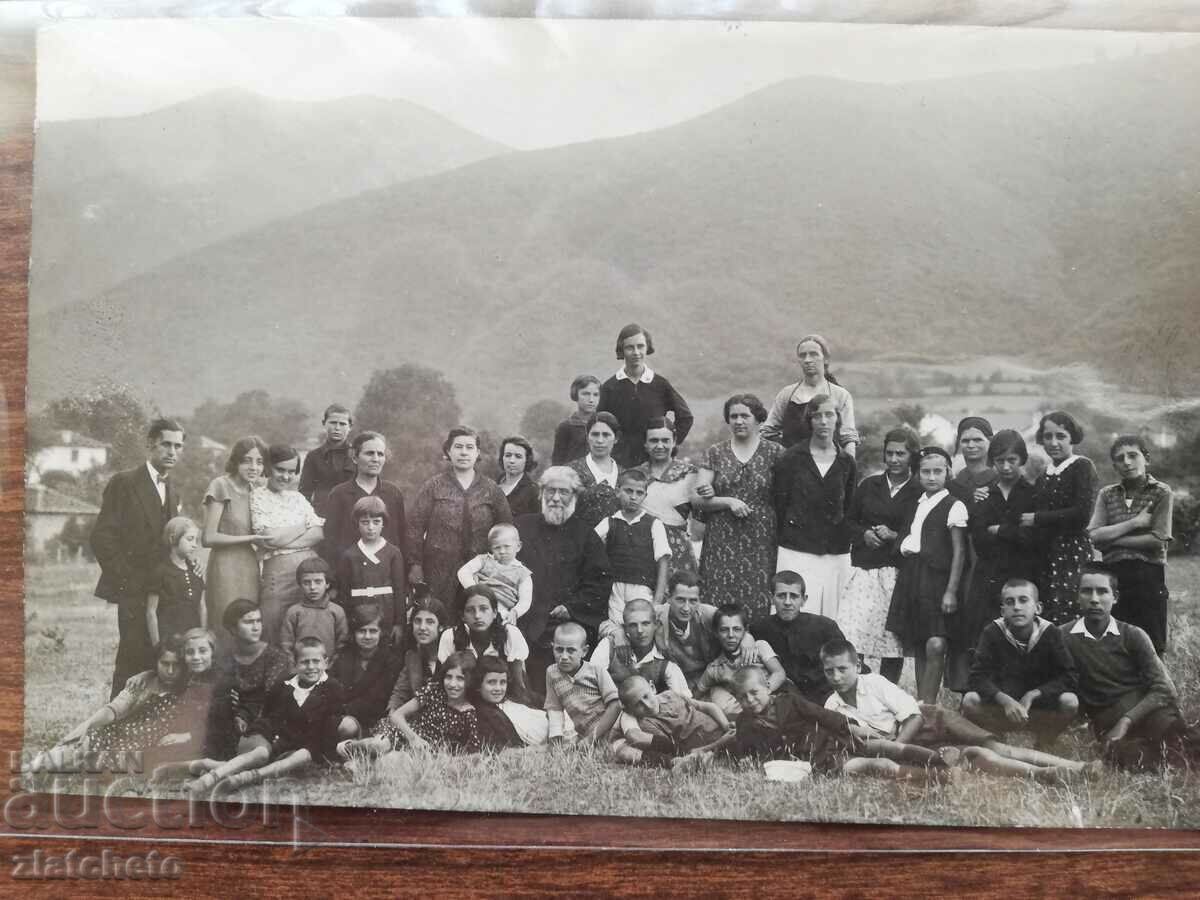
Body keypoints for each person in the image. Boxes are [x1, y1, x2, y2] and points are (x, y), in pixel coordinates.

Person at [821, 638, 1094, 784]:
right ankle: (1044, 775)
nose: (836, 676)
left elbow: (914, 717)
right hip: (908, 743)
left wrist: (898, 747)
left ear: (857, 666)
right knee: (978, 757)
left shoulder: (875, 683)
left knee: (999, 748)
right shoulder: (832, 706)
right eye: (829, 670)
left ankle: (1078, 766)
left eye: (842, 668)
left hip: (930, 721)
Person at [1062, 565, 1198, 770]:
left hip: (1148, 713)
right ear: (1077, 596)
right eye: (1087, 591)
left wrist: (1125, 721)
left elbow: (1165, 689)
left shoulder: (1132, 635)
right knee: (1126, 758)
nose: (1094, 599)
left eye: (1102, 591)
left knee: (1180, 743)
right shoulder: (1063, 636)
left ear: (1115, 597)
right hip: (1108, 720)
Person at [91, 418, 187, 697]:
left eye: (178, 446)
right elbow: (102, 537)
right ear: (150, 444)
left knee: (160, 659)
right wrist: (127, 582)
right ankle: (113, 730)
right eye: (166, 444)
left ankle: (149, 729)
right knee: (131, 660)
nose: (172, 451)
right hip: (133, 589)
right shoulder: (124, 482)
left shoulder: (172, 489)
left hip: (163, 590)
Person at [184, 636, 346, 794]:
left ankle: (241, 777)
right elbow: (269, 716)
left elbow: (329, 726)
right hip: (271, 737)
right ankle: (211, 778)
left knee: (302, 755)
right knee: (260, 754)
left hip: (307, 745)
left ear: (325, 662)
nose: (311, 667)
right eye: (305, 662)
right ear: (295, 664)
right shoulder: (284, 684)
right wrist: (272, 739)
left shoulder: (333, 688)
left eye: (316, 661)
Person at [514, 466, 612, 695]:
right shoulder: (521, 527)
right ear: (541, 494)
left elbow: (600, 581)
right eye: (550, 491)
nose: (556, 498)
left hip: (568, 623)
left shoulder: (586, 534)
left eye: (564, 492)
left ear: (574, 496)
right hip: (526, 621)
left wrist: (570, 608)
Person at [838, 427, 921, 683]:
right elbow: (848, 521)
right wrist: (864, 535)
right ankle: (860, 686)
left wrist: (894, 535)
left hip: (898, 574)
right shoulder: (869, 485)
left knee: (891, 641)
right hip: (865, 572)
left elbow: (921, 534)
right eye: (890, 453)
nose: (894, 459)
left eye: (901, 454)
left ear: (912, 457)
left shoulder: (919, 491)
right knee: (854, 633)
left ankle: (888, 690)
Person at [884, 447, 967, 703]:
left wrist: (951, 591)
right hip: (912, 576)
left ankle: (930, 705)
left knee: (936, 643)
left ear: (948, 473)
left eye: (937, 471)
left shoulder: (954, 505)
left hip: (938, 579)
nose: (931, 477)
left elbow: (959, 552)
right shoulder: (917, 504)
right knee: (919, 641)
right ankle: (921, 704)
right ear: (918, 474)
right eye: (926, 472)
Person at [35, 636, 188, 772]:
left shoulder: (188, 689)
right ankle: (37, 765)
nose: (170, 671)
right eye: (165, 664)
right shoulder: (143, 683)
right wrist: (87, 725)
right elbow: (114, 709)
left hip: (149, 748)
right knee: (87, 740)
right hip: (122, 735)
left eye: (176, 665)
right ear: (156, 662)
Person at [693, 393, 784, 619]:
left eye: (745, 415)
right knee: (716, 602)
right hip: (721, 540)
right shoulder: (715, 452)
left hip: (762, 540)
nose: (739, 421)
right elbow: (697, 497)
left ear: (758, 418)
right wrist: (727, 501)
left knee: (759, 598)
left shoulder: (776, 453)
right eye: (733, 416)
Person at [962, 579, 1079, 747]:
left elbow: (1069, 676)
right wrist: (1004, 700)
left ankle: (1045, 739)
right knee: (970, 700)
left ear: (1038, 608)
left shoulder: (1051, 633)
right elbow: (976, 677)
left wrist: (1034, 694)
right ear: (1002, 610)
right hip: (1002, 707)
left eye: (1023, 600)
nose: (1017, 607)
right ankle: (996, 735)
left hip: (1038, 707)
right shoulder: (992, 632)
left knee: (1070, 701)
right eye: (1010, 602)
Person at [407, 426, 513, 609]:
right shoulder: (433, 486)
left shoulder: (492, 489)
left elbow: (505, 530)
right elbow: (414, 527)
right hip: (439, 571)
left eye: (469, 447)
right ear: (448, 451)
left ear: (477, 452)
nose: (464, 452)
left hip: (480, 572)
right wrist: (415, 564)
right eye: (458, 447)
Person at [1087, 435, 1174, 655]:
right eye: (1120, 458)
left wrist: (1113, 539)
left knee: (1151, 643)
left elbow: (1157, 540)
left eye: (1133, 455)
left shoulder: (1161, 492)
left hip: (1147, 575)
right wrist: (1136, 522)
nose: (1126, 462)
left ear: (1146, 459)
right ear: (1114, 465)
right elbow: (1095, 536)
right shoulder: (1107, 494)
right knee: (1116, 642)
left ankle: (1157, 688)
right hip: (1113, 577)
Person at [772, 394, 856, 619]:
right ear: (809, 421)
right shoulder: (790, 459)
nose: (823, 421)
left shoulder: (847, 462)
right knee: (796, 614)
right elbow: (780, 504)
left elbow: (849, 507)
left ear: (837, 419)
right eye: (817, 416)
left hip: (834, 552)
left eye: (829, 415)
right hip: (796, 549)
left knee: (832, 617)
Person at [965, 429, 1039, 665]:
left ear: (1022, 460)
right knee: (986, 639)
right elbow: (979, 539)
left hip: (1023, 574)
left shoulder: (1035, 494)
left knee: (1023, 638)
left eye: (1012, 460)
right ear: (992, 462)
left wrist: (999, 530)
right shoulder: (985, 495)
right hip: (989, 577)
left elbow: (1032, 539)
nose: (1006, 467)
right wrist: (1014, 531)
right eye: (1000, 461)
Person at [1024, 411, 1099, 626]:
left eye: (1060, 436)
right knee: (1048, 616)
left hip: (1072, 553)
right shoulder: (1044, 474)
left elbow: (1082, 515)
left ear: (1072, 437)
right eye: (1048, 437)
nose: (1053, 442)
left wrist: (1037, 519)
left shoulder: (1082, 466)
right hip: (1046, 554)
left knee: (1073, 614)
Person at [340, 652, 481, 758]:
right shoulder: (435, 692)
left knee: (393, 760)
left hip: (423, 753)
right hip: (403, 732)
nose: (452, 684)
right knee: (380, 745)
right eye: (449, 677)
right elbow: (396, 715)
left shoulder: (469, 713)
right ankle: (349, 747)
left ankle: (361, 760)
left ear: (470, 681)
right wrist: (413, 738)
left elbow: (473, 753)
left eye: (460, 679)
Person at [251, 444, 325, 644]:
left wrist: (283, 540)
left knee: (307, 629)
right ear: (268, 467)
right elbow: (269, 539)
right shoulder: (257, 496)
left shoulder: (298, 498)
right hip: (277, 573)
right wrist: (303, 526)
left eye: (291, 472)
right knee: (273, 628)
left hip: (308, 571)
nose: (285, 476)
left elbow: (318, 533)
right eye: (280, 470)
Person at [201, 435, 267, 653]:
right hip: (224, 566)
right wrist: (250, 539)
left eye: (259, 462)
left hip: (249, 567)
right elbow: (208, 537)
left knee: (248, 625)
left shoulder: (256, 492)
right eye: (247, 460)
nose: (254, 467)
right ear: (236, 461)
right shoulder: (221, 485)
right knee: (224, 624)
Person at [725, 667, 855, 775]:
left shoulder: (789, 701)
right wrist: (745, 760)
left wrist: (850, 725)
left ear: (767, 687)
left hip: (823, 744)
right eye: (742, 697)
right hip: (802, 762)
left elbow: (822, 715)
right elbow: (744, 749)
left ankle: (871, 744)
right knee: (847, 765)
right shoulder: (744, 722)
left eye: (754, 692)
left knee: (862, 743)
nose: (750, 700)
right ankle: (873, 764)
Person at [205, 599, 291, 763]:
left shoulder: (275, 657)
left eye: (258, 621)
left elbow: (270, 698)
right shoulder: (224, 657)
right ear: (232, 628)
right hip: (230, 719)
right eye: (248, 622)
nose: (256, 627)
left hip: (263, 719)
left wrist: (244, 715)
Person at [598, 323, 693, 469]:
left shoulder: (660, 385)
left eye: (640, 346)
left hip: (655, 464)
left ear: (647, 347)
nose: (636, 352)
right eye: (630, 347)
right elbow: (598, 425)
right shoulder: (610, 387)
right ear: (622, 350)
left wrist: (668, 445)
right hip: (619, 465)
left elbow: (685, 417)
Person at [594, 468, 671, 639]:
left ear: (645, 496)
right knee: (616, 629)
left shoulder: (654, 524)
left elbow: (663, 562)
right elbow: (589, 547)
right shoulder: (609, 522)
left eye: (639, 492)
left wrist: (657, 600)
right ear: (618, 491)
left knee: (640, 628)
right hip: (615, 588)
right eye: (628, 491)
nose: (633, 497)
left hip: (642, 588)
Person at [751, 571, 845, 704]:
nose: (787, 602)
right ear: (771, 598)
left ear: (803, 600)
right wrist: (746, 641)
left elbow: (846, 660)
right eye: (781, 596)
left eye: (794, 596)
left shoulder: (825, 626)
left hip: (825, 697)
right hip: (783, 700)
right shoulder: (759, 629)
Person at [321, 431, 408, 571]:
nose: (376, 459)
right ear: (355, 457)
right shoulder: (339, 494)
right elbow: (331, 541)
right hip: (351, 574)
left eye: (380, 454)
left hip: (387, 574)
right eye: (369, 453)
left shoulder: (393, 493)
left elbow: (402, 537)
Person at [761, 334, 859, 454]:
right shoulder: (787, 394)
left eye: (813, 354)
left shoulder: (840, 395)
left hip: (828, 467)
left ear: (826, 359)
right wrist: (784, 455)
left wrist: (849, 469)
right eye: (803, 355)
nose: (807, 360)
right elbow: (767, 432)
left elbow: (848, 438)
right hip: (793, 468)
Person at [438, 585, 535, 705]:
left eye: (484, 609)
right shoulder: (450, 637)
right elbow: (446, 681)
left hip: (504, 699)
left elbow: (518, 684)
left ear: (494, 613)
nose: (477, 615)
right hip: (464, 702)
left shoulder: (509, 634)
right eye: (470, 610)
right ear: (462, 615)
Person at [614, 675, 733, 768]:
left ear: (652, 688)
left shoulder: (670, 694)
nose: (647, 705)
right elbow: (678, 750)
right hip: (710, 746)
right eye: (638, 704)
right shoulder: (646, 724)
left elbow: (708, 707)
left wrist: (727, 726)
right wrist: (721, 743)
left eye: (646, 696)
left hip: (723, 730)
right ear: (630, 710)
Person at [336, 495, 407, 646]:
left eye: (376, 522)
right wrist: (347, 623)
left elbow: (400, 590)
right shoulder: (349, 555)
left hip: (386, 611)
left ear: (383, 524)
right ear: (357, 523)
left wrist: (399, 624)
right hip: (358, 612)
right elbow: (344, 592)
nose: (370, 527)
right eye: (365, 522)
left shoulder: (393, 553)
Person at [634, 417, 700, 576]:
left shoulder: (690, 474)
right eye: (654, 440)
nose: (659, 446)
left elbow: (702, 514)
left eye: (665, 440)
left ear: (674, 441)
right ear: (645, 443)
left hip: (678, 552)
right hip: (641, 552)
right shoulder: (635, 476)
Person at [695, 604, 786, 715]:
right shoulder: (715, 668)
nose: (731, 635)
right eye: (724, 630)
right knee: (716, 694)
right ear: (716, 633)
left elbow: (779, 673)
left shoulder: (759, 647)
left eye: (737, 629)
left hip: (771, 698)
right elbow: (696, 694)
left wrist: (764, 694)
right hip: (747, 708)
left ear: (745, 630)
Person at [331, 603, 404, 741]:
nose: (367, 636)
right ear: (353, 633)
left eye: (373, 631)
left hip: (372, 719)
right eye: (362, 631)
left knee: (346, 727)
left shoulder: (390, 660)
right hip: (341, 713)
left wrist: (344, 710)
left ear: (381, 632)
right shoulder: (345, 656)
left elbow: (377, 698)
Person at [590, 598, 690, 696]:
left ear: (656, 625)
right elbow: (589, 681)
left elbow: (684, 701)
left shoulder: (664, 659)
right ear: (625, 628)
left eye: (645, 624)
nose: (640, 630)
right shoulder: (610, 646)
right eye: (633, 625)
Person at [544, 622, 621, 744]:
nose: (564, 656)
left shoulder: (596, 671)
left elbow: (615, 705)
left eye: (571, 650)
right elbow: (554, 708)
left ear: (584, 651)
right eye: (559, 649)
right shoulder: (552, 672)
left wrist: (591, 738)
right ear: (552, 647)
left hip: (613, 729)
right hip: (584, 736)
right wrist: (555, 739)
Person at [653, 571, 724, 691]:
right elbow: (620, 623)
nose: (686, 608)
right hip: (675, 682)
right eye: (680, 600)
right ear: (668, 598)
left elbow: (737, 626)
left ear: (699, 600)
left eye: (693, 601)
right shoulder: (658, 615)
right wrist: (619, 635)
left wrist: (747, 640)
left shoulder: (708, 614)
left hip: (708, 681)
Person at [146, 516, 206, 650]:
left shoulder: (195, 569)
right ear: (173, 539)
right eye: (189, 539)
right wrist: (157, 646)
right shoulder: (161, 572)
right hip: (169, 638)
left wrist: (202, 637)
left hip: (192, 637)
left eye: (196, 540)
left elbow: (202, 606)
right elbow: (151, 612)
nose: (194, 544)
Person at [457, 523, 534, 626]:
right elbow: (463, 572)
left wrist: (515, 612)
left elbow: (525, 601)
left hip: (502, 611)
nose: (502, 551)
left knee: (504, 630)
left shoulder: (523, 573)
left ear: (518, 546)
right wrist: (476, 590)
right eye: (497, 548)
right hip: (478, 604)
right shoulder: (484, 560)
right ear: (491, 548)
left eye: (507, 547)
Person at [473, 656, 550, 749]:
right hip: (543, 744)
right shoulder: (484, 714)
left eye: (503, 682)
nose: (498, 688)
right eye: (491, 682)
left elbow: (549, 702)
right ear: (479, 685)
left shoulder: (514, 697)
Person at [389, 591, 448, 711]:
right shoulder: (412, 656)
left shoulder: (451, 653)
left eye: (430, 622)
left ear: (441, 626)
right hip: (420, 718)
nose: (422, 627)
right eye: (418, 621)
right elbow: (400, 692)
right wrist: (392, 712)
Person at [281, 556, 348, 659]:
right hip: (301, 667)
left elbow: (342, 644)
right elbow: (286, 645)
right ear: (300, 585)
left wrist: (333, 665)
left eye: (318, 582)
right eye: (307, 582)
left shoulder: (336, 611)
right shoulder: (293, 612)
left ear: (327, 584)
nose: (312, 587)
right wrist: (294, 666)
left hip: (329, 667)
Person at [566, 411, 624, 529]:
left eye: (606, 435)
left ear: (616, 438)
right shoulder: (570, 471)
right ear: (587, 437)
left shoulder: (625, 475)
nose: (600, 440)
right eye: (595, 434)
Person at [298, 403, 356, 517]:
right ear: (324, 424)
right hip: (321, 515)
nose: (337, 428)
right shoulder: (313, 456)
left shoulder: (357, 455)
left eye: (342, 424)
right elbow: (304, 493)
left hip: (352, 515)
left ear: (350, 427)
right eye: (333, 423)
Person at [552, 374, 601, 465]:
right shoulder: (566, 426)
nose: (591, 399)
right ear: (575, 395)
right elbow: (557, 462)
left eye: (595, 395)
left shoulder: (604, 424)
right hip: (572, 476)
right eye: (585, 394)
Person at [950, 417, 996, 501]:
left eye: (977, 440)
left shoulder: (1000, 479)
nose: (971, 445)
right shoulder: (956, 482)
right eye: (965, 441)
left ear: (990, 441)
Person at [496, 435, 541, 519]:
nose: (512, 461)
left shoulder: (533, 491)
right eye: (508, 455)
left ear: (527, 460)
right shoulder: (493, 485)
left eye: (518, 456)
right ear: (502, 458)